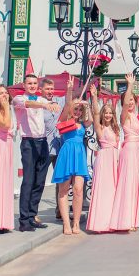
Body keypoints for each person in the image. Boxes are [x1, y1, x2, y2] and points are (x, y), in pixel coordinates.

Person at [12, 74, 60, 232]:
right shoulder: (19, 99)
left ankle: (33, 216)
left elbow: (53, 103)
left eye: (34, 83)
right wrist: (45, 105)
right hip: (28, 143)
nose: (32, 86)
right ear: (24, 85)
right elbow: (29, 104)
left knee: (39, 181)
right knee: (28, 181)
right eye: (29, 83)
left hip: (43, 142)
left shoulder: (41, 99)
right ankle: (24, 220)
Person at [52, 76, 92, 235]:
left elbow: (91, 119)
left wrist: (87, 105)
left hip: (79, 156)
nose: (77, 112)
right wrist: (69, 90)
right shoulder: (64, 120)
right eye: (75, 109)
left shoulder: (82, 124)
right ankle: (66, 223)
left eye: (79, 110)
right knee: (63, 190)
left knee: (78, 189)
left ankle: (76, 223)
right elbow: (68, 105)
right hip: (67, 154)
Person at [110, 73, 139, 232]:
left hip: (137, 151)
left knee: (135, 184)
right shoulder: (125, 115)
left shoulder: (136, 116)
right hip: (129, 150)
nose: (130, 103)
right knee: (128, 183)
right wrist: (130, 85)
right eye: (127, 100)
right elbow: (124, 104)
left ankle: (133, 220)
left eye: (132, 100)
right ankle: (125, 220)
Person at [86, 84, 119, 233]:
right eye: (105, 113)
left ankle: (111, 222)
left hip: (114, 160)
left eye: (110, 113)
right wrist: (94, 97)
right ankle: (100, 223)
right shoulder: (100, 127)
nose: (107, 115)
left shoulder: (115, 128)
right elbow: (95, 113)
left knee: (113, 191)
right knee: (103, 191)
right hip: (104, 159)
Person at [41, 77, 66, 221]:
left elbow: (73, 96)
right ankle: (33, 212)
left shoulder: (59, 101)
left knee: (61, 180)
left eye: (52, 89)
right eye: (47, 89)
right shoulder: (38, 104)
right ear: (42, 90)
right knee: (39, 180)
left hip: (59, 147)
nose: (50, 91)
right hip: (44, 148)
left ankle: (60, 210)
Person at [0, 85, 14, 233]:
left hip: (7, 146)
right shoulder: (3, 110)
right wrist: (5, 107)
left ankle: (4, 221)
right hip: (0, 145)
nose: (4, 95)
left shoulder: (9, 109)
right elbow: (6, 125)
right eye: (0, 93)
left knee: (5, 183)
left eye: (5, 93)